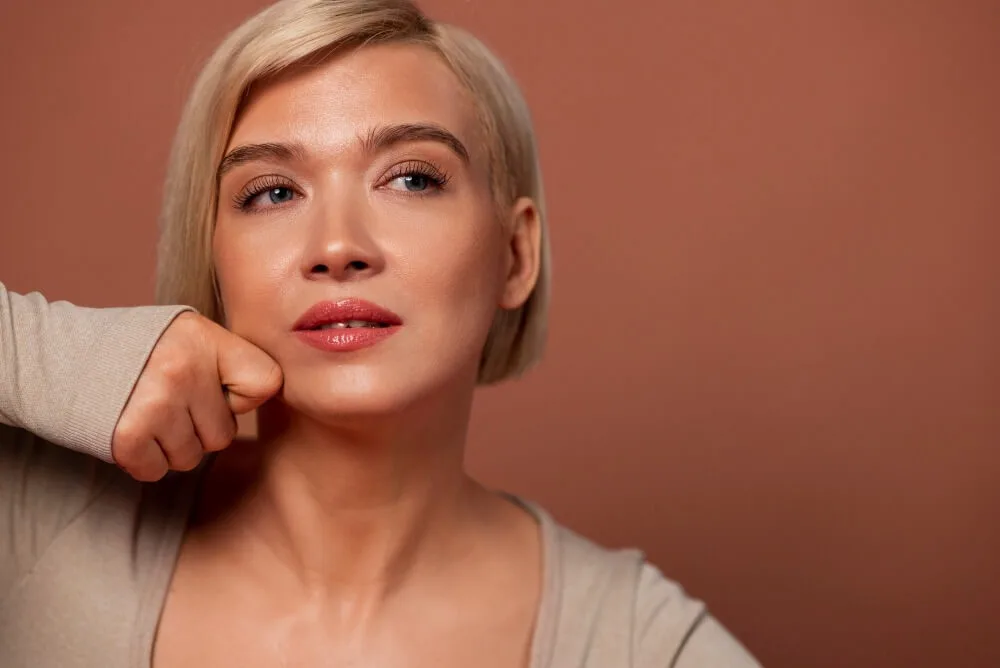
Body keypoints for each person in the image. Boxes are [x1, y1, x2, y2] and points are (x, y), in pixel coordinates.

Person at [0, 0, 761, 666]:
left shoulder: (635, 643)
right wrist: (68, 364)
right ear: (216, 262)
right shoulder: (43, 519)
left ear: (516, 255)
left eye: (412, 178)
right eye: (271, 192)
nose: (338, 245)